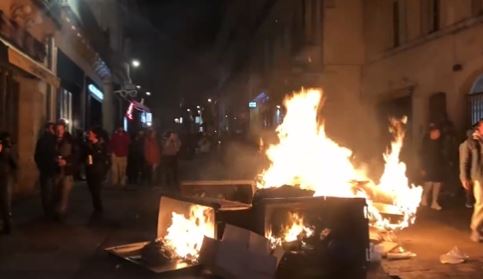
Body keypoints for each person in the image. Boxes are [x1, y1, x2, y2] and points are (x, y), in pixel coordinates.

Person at [459, 119, 483, 242]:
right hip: (479, 177)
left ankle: (479, 228)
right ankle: (475, 229)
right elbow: (464, 162)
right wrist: (464, 177)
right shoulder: (470, 143)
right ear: (479, 128)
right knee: (481, 204)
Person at [52, 120, 76, 221]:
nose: (59, 132)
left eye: (60, 129)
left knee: (64, 193)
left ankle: (61, 213)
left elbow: (76, 154)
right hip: (56, 170)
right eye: (57, 130)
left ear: (64, 129)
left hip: (67, 171)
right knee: (56, 192)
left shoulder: (70, 140)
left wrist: (66, 161)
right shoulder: (52, 140)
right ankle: (57, 211)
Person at [84, 128, 110, 214]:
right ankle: (96, 206)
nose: (88, 135)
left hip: (98, 170)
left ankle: (98, 208)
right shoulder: (88, 144)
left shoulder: (100, 145)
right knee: (92, 189)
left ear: (95, 135)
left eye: (90, 133)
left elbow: (105, 157)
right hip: (90, 170)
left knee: (96, 190)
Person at [34, 122, 57, 217]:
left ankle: (48, 210)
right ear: (49, 129)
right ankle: (49, 211)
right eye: (53, 129)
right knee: (49, 191)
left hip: (45, 169)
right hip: (50, 168)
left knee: (46, 191)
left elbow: (37, 156)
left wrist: (41, 166)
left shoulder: (42, 140)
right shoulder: (52, 140)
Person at [420, 123, 444, 210]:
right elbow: (422, 155)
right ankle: (424, 198)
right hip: (429, 166)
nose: (438, 134)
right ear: (432, 132)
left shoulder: (440, 141)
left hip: (438, 166)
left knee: (437, 184)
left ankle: (434, 201)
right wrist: (423, 167)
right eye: (436, 132)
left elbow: (442, 153)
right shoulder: (426, 141)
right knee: (429, 183)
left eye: (439, 132)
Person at [0, 132, 17, 234]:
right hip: (4, 176)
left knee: (5, 202)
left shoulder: (8, 150)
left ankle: (7, 225)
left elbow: (15, 163)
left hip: (5, 177)